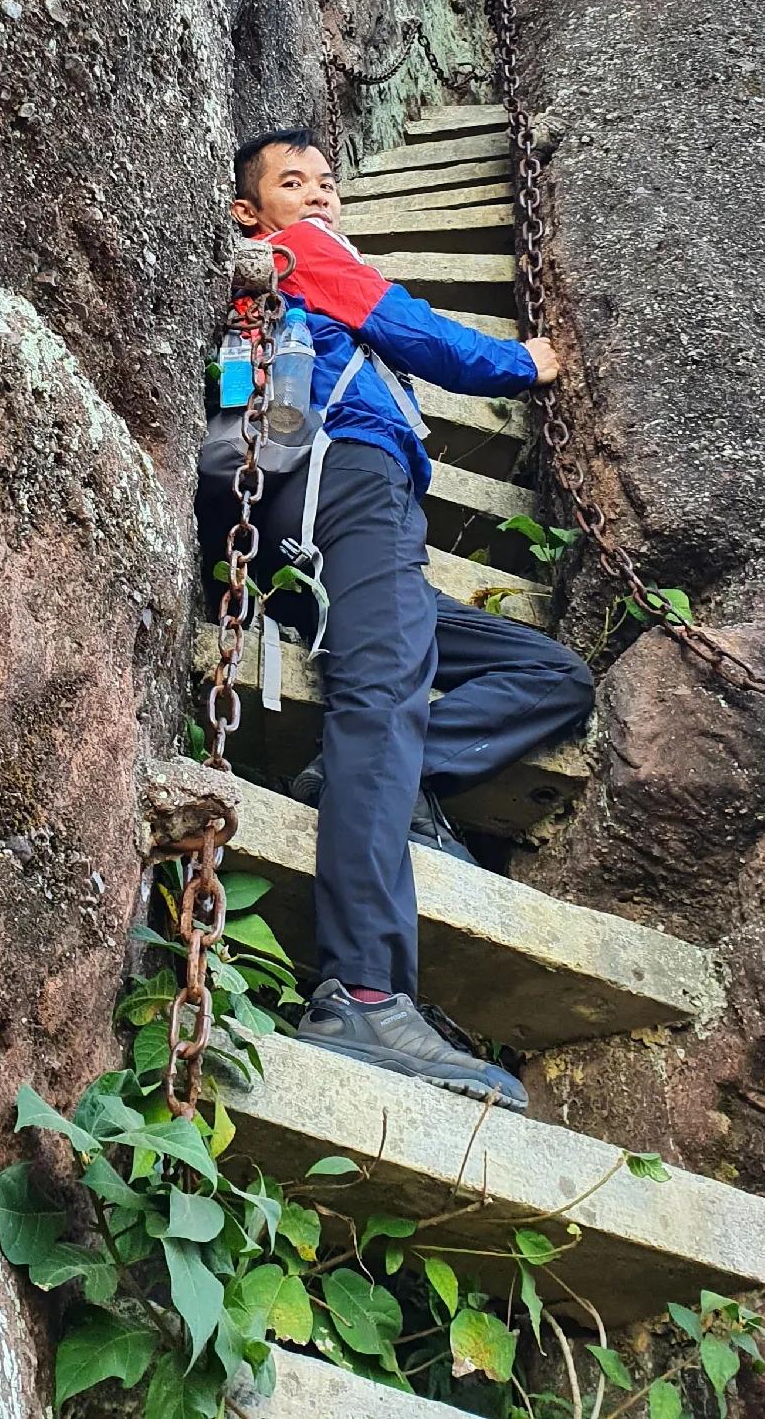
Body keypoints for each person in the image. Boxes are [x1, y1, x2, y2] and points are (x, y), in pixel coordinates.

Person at [206, 126, 596, 1111]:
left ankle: (384, 773)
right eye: (292, 180)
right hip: (350, 486)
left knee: (555, 678)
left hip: (331, 523)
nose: (318, 192)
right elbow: (418, 333)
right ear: (251, 212)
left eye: (326, 179)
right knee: (379, 701)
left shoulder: (288, 268)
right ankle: (365, 993)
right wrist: (524, 361)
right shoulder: (302, 254)